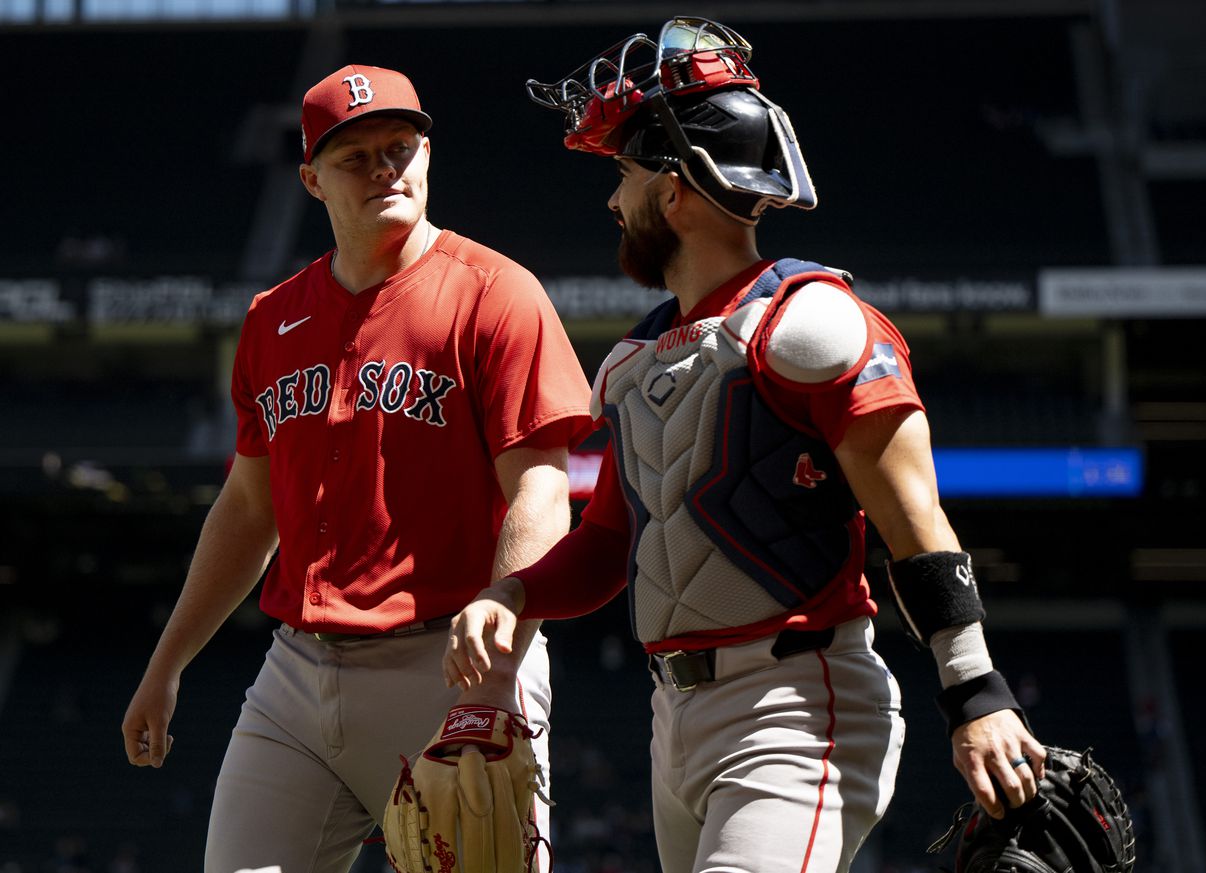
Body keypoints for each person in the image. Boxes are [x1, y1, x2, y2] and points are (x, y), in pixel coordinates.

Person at [443, 19, 1046, 873]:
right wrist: (514, 591)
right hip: (672, 724)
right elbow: (612, 543)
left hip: (797, 707)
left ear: (677, 189)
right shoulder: (628, 363)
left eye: (625, 173)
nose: (614, 200)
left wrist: (977, 695)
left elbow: (917, 526)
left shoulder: (815, 324)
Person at [120, 64, 592, 873]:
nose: (386, 168)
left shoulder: (496, 294)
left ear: (428, 157)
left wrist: (503, 641)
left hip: (450, 663)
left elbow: (544, 486)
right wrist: (167, 663)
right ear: (311, 179)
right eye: (357, 156)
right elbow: (245, 509)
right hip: (297, 671)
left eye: (402, 148)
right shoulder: (272, 321)